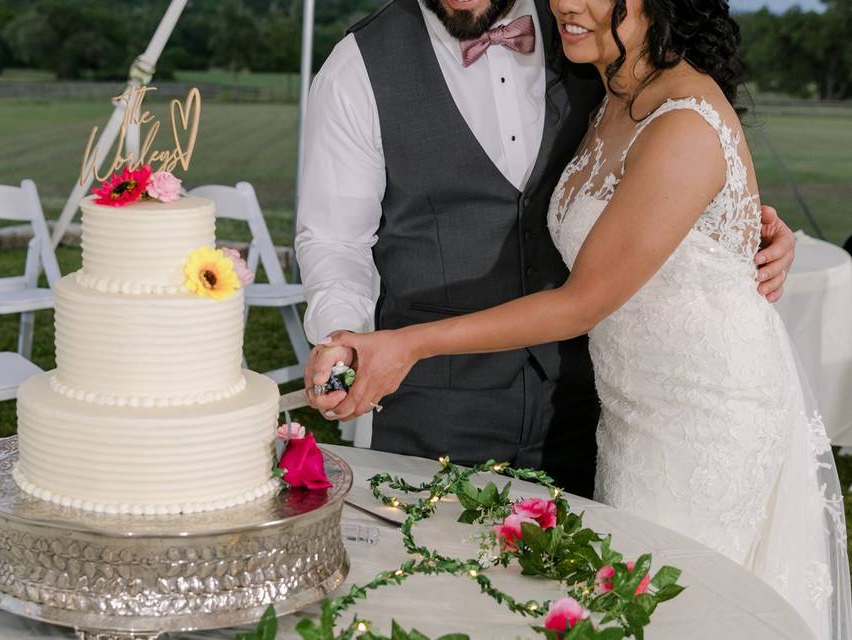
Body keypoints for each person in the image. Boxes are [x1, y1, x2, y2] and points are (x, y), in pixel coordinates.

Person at [320, 0, 852, 635]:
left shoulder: (651, 95)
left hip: (697, 423)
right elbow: (333, 239)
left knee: (670, 614)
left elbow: (588, 296)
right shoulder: (610, 82)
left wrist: (406, 343)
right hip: (603, 414)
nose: (568, 3)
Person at [296, 0, 796, 500]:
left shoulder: (585, 28)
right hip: (438, 405)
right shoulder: (358, 66)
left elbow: (680, 147)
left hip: (589, 401)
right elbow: (334, 240)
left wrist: (729, 229)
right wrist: (344, 338)